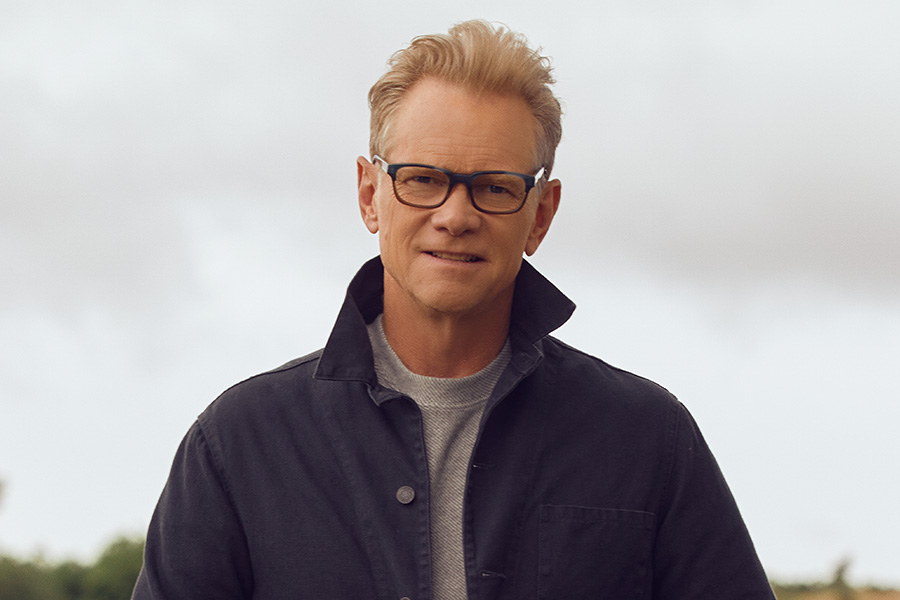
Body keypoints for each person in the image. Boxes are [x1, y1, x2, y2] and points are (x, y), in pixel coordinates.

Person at [133, 20, 775, 600]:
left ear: (540, 215)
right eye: (422, 179)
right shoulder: (239, 444)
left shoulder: (648, 441)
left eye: (495, 188)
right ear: (369, 195)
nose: (456, 216)